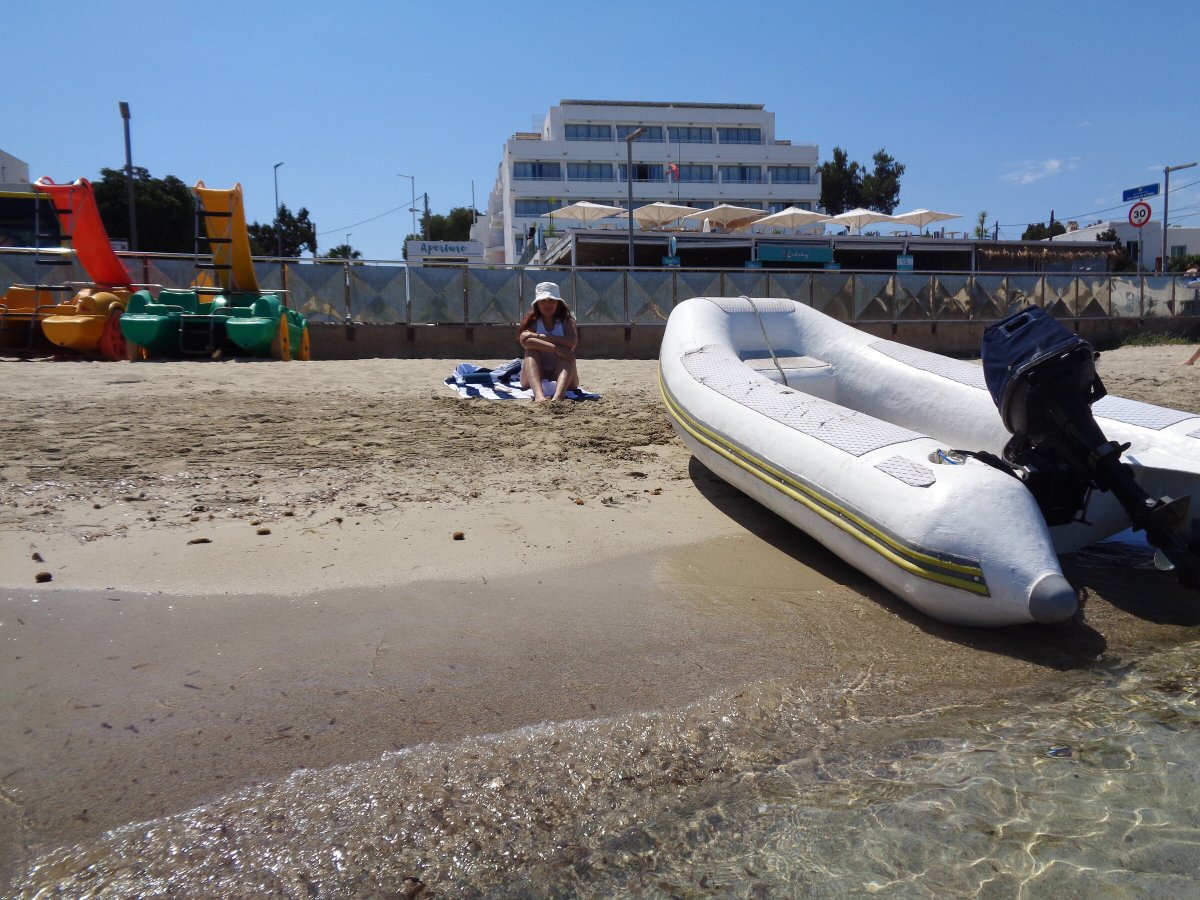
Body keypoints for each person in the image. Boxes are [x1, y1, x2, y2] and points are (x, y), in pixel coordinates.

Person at [517, 281, 580, 401]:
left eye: (551, 300)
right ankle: (539, 395)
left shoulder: (567, 321)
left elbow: (572, 342)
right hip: (535, 376)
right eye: (543, 301)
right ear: (537, 304)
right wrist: (556, 349)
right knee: (531, 352)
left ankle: (558, 397)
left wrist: (539, 336)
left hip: (565, 377)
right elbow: (526, 342)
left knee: (567, 353)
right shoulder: (532, 321)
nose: (547, 304)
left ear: (558, 303)